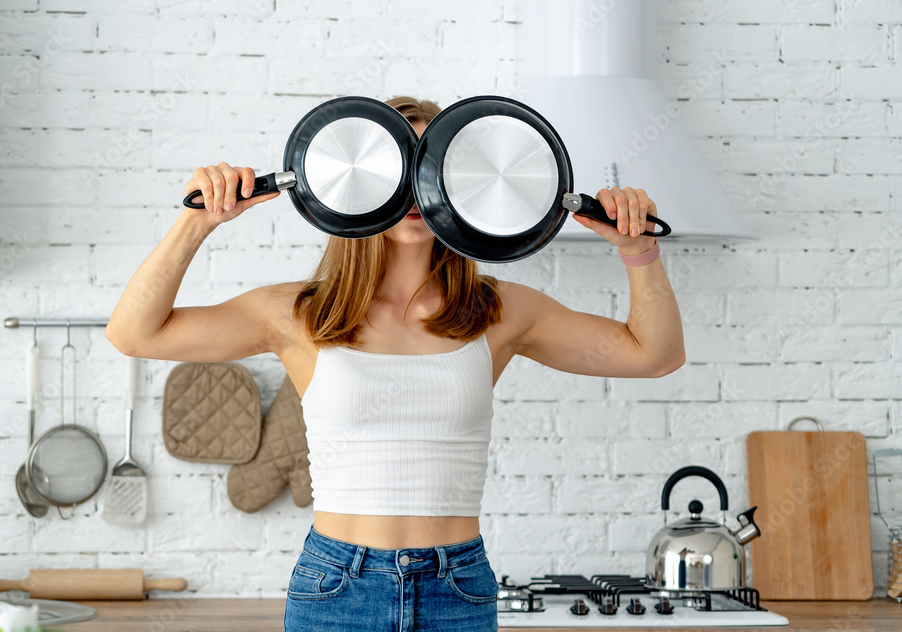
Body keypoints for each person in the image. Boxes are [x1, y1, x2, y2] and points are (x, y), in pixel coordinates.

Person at [106, 96, 685, 631]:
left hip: (457, 590)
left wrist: (639, 251)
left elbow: (655, 355)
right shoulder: (297, 313)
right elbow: (134, 333)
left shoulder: (499, 311)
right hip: (336, 587)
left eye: (432, 163)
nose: (414, 186)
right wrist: (197, 220)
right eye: (396, 162)